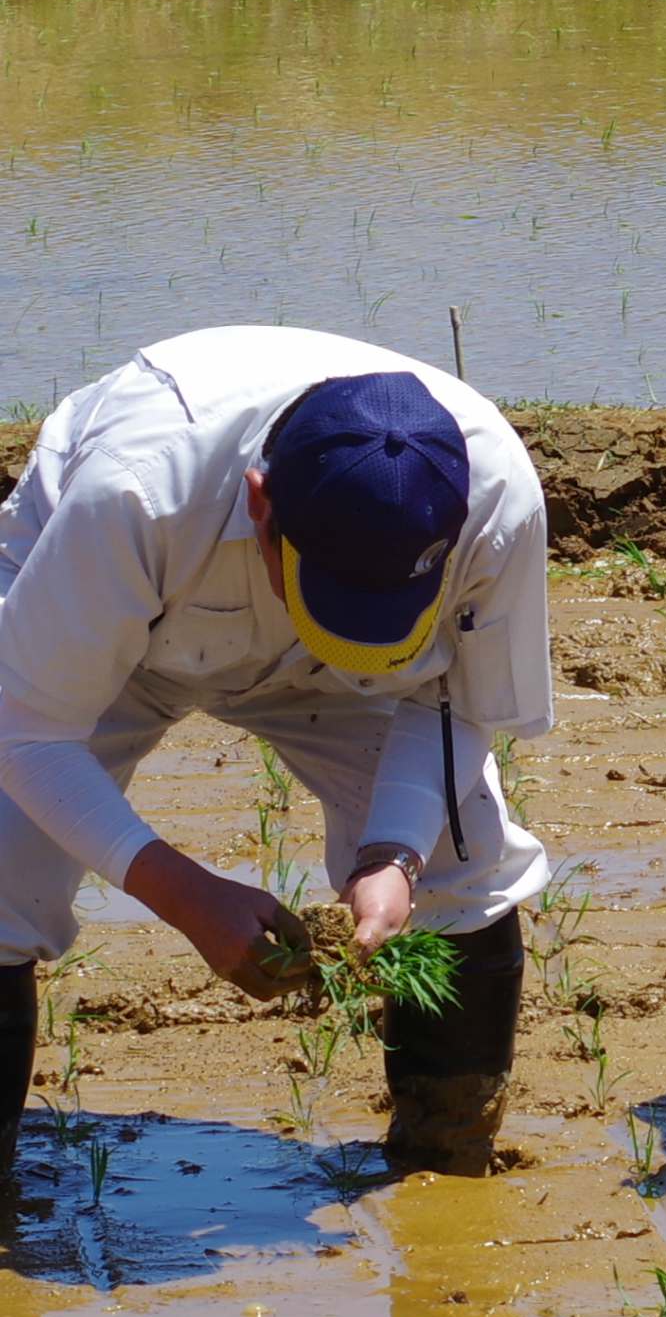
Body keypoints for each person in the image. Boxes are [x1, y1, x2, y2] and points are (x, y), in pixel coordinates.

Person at [0, 328, 552, 1174]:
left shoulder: (495, 499)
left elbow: (450, 697)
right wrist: (183, 892)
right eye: (336, 601)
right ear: (261, 506)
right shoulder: (135, 492)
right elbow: (26, 726)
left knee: (461, 852)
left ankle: (446, 1160)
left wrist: (393, 852)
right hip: (122, 628)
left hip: (344, 687)